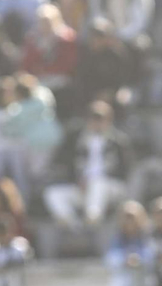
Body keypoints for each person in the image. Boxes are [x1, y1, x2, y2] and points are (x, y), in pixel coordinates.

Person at [44, 100, 131, 237]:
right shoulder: (75, 139)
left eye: (101, 118)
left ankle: (93, 221)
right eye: (93, 118)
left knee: (98, 183)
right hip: (83, 188)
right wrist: (77, 181)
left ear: (109, 120)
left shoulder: (119, 141)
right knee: (52, 193)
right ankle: (75, 227)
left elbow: (126, 171)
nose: (97, 122)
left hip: (111, 188)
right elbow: (63, 165)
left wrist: (98, 180)